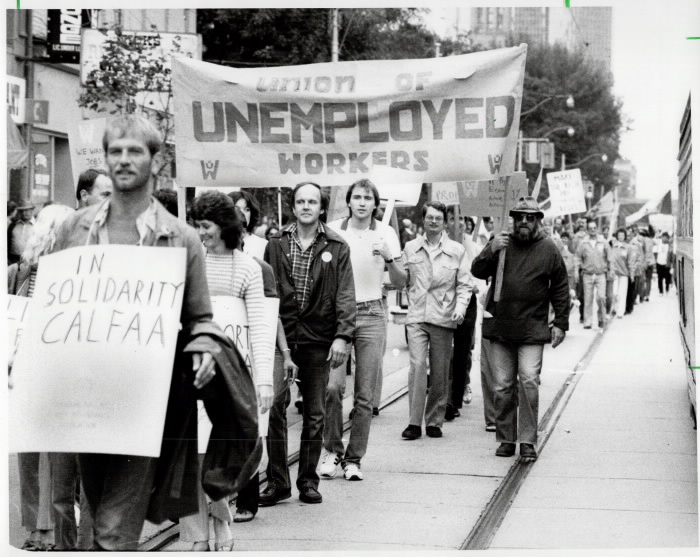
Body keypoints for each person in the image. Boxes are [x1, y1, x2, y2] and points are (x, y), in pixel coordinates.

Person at [50, 114, 221, 551]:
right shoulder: (75, 229)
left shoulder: (181, 238)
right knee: (97, 511)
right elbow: (49, 303)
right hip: (84, 395)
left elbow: (202, 317)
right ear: (105, 159)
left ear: (155, 159)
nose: (124, 160)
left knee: (112, 528)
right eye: (116, 152)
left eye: (135, 151)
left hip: (147, 401)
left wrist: (203, 348)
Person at [178, 191, 274, 548]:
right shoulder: (192, 263)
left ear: (224, 226)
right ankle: (196, 536)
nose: (200, 233)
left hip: (232, 380)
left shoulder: (248, 268)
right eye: (196, 226)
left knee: (220, 456)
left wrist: (263, 381)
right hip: (193, 374)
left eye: (206, 226)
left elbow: (261, 329)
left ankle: (220, 521)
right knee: (191, 455)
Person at [262, 181, 356, 505]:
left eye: (312, 202)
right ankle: (277, 481)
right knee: (275, 405)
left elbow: (346, 294)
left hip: (319, 337)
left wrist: (344, 335)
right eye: (300, 201)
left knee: (315, 412)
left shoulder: (337, 246)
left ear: (321, 207)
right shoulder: (275, 244)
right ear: (292, 206)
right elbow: (266, 292)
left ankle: (307, 481)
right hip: (281, 336)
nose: (305, 206)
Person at [471, 196, 570, 462]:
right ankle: (506, 437)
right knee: (502, 385)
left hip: (532, 327)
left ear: (538, 221)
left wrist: (561, 323)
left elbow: (560, 287)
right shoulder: (501, 243)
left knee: (528, 381)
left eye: (530, 217)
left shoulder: (549, 248)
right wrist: (490, 249)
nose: (524, 222)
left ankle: (527, 440)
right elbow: (477, 271)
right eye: (519, 217)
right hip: (501, 326)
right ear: (512, 219)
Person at [320, 179, 404, 481]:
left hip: (371, 312)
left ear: (375, 203)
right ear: (349, 201)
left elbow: (402, 280)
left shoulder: (386, 233)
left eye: (368, 198)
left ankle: (354, 459)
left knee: (365, 394)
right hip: (338, 314)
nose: (362, 202)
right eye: (357, 197)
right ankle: (331, 450)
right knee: (332, 388)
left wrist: (389, 258)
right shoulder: (332, 230)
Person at [9, 204, 76, 551]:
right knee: (34, 450)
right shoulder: (19, 273)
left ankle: (45, 529)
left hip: (54, 364)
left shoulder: (69, 270)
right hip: (29, 363)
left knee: (48, 451)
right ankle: (39, 527)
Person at [399, 201, 472, 440]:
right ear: (423, 219)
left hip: (443, 315)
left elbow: (464, 285)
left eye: (438, 218)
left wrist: (460, 308)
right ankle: (413, 422)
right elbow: (402, 279)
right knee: (418, 366)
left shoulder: (457, 250)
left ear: (444, 222)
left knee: (440, 371)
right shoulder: (410, 248)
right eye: (429, 217)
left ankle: (434, 421)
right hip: (417, 315)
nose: (433, 221)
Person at [445, 206, 479, 420]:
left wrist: (470, 284)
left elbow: (480, 279)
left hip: (467, 303)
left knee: (462, 351)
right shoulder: (441, 243)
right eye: (452, 218)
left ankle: (455, 399)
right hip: (444, 302)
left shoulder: (473, 246)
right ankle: (444, 396)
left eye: (462, 219)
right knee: (442, 351)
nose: (458, 223)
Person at [574, 218, 610, 329]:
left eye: (594, 228)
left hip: (600, 273)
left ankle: (601, 318)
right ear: (587, 230)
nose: (593, 230)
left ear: (597, 229)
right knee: (587, 298)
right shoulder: (583, 243)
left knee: (601, 297)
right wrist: (576, 271)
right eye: (590, 228)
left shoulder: (603, 242)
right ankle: (587, 321)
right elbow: (577, 257)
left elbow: (610, 258)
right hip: (587, 274)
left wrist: (610, 271)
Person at [229, 190, 268, 260]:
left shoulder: (263, 245)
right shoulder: (218, 244)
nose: (242, 213)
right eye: (236, 209)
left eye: (246, 209)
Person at [610, 228, 634, 318]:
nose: (621, 237)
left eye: (622, 235)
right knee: (614, 293)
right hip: (614, 273)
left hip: (624, 273)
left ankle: (620, 312)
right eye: (619, 235)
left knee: (622, 293)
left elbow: (630, 262)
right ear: (617, 236)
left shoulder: (628, 247)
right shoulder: (613, 246)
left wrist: (631, 274)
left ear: (625, 236)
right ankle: (615, 308)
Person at [8, 199, 35, 264]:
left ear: (32, 210)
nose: (23, 213)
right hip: (13, 260)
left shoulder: (38, 225)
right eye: (21, 211)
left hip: (30, 261)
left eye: (26, 210)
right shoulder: (13, 224)